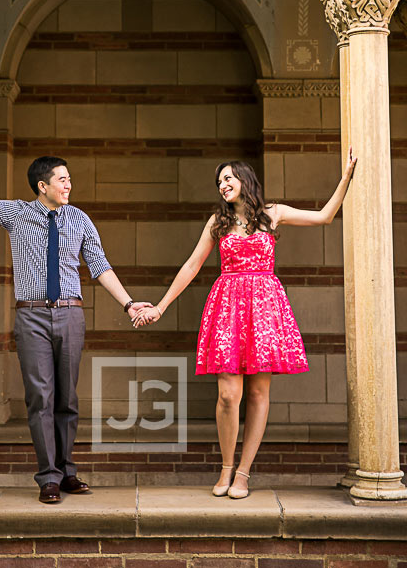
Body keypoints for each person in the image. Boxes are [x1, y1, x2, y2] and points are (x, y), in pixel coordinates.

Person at [0, 150, 152, 504]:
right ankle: (48, 477)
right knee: (40, 397)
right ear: (42, 185)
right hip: (31, 317)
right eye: (62, 179)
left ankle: (67, 471)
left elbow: (99, 266)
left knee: (67, 398)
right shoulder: (17, 214)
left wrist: (128, 303)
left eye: (69, 178)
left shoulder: (79, 219)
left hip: (70, 314)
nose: (69, 184)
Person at [133, 151, 357, 499]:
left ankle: (243, 474)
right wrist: (161, 307)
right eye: (219, 182)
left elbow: (325, 217)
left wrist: (345, 177)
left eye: (227, 179)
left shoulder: (273, 213)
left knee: (257, 393)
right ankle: (225, 467)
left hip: (265, 307)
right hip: (228, 305)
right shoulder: (217, 223)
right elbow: (192, 265)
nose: (222, 185)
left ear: (244, 180)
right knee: (228, 394)